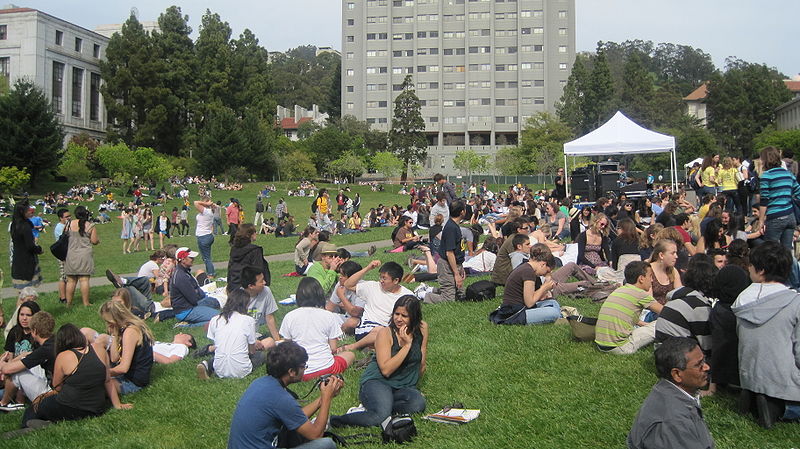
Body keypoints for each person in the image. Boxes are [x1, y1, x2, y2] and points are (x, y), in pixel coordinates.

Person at [331, 295, 428, 428]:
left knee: (417, 404)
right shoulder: (385, 333)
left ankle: (379, 405)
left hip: (402, 386)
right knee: (380, 417)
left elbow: (421, 360)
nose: (399, 319)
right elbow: (386, 370)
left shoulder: (422, 328)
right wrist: (406, 346)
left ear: (414, 317)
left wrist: (414, 387)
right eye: (396, 314)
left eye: (404, 316)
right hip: (379, 381)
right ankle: (335, 421)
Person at [733, 241, 800, 429]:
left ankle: (760, 400)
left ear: (760, 270)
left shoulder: (742, 299)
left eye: (750, 266)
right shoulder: (795, 302)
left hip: (749, 375)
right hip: (783, 380)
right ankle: (783, 407)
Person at [227, 340, 343, 449]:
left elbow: (295, 416)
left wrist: (323, 398)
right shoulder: (281, 398)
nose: (304, 370)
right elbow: (316, 434)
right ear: (292, 372)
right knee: (327, 444)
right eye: (303, 366)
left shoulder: (261, 383)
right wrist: (326, 399)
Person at [18, 324, 131, 430]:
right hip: (97, 408)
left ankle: (27, 426)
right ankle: (46, 422)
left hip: (72, 406)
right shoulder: (99, 349)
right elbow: (108, 381)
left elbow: (57, 387)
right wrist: (118, 405)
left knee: (37, 406)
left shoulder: (63, 356)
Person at [627, 337, 714, 449]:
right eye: (699, 365)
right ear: (677, 374)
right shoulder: (673, 422)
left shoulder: (666, 390)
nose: (707, 367)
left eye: (704, 360)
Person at [280, 278, 356, 381]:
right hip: (327, 368)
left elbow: (287, 346)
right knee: (350, 355)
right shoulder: (328, 316)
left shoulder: (289, 316)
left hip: (300, 372)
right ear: (320, 295)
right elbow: (333, 348)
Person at [339, 261, 413, 352]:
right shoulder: (372, 287)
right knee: (377, 330)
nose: (381, 280)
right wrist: (367, 268)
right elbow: (348, 284)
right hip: (367, 327)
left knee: (383, 333)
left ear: (396, 280)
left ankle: (364, 347)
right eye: (380, 277)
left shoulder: (407, 295)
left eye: (384, 278)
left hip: (388, 329)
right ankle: (358, 346)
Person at [197, 289, 268, 380]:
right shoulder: (248, 320)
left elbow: (217, 345)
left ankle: (207, 365)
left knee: (220, 353)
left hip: (219, 370)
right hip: (242, 370)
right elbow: (251, 350)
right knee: (260, 356)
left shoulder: (215, 319)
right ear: (245, 305)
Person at [595, 261, 664, 354]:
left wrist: (646, 325)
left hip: (601, 345)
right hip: (620, 347)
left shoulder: (620, 290)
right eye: (650, 276)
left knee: (649, 326)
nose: (652, 280)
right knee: (661, 323)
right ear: (641, 279)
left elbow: (629, 317)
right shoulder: (641, 294)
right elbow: (667, 313)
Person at [655, 259, 718, 359]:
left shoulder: (677, 298)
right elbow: (707, 346)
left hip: (663, 355)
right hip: (680, 361)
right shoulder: (698, 306)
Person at [0, 311, 56, 409]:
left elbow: (7, 370)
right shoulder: (55, 340)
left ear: (34, 331)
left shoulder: (43, 350)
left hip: (51, 395)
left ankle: (3, 404)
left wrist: (1, 363)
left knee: (16, 372)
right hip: (64, 388)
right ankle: (18, 400)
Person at [495, 243, 561, 325]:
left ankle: (560, 316)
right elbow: (529, 303)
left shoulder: (528, 268)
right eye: (547, 271)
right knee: (554, 312)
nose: (545, 274)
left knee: (553, 303)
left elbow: (539, 297)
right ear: (543, 264)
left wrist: (546, 284)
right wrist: (544, 288)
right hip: (515, 312)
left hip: (519, 307)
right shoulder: (528, 272)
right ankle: (560, 316)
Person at [709, 265, 751, 390]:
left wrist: (712, 386)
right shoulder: (749, 308)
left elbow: (718, 348)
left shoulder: (720, 312)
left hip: (728, 378)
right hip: (749, 377)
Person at [99, 300, 154, 394]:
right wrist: (114, 334)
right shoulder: (122, 328)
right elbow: (114, 358)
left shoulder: (131, 331)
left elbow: (123, 368)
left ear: (116, 319)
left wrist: (100, 374)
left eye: (108, 322)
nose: (107, 325)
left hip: (133, 382)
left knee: (94, 387)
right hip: (125, 375)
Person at [421, 200, 467, 304]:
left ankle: (430, 290)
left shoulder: (454, 226)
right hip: (447, 265)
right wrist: (456, 274)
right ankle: (423, 295)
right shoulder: (451, 228)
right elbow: (449, 253)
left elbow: (457, 251)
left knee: (460, 295)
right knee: (448, 300)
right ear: (462, 212)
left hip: (455, 264)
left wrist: (460, 267)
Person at [756, 146, 800, 250]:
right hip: (790, 216)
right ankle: (789, 266)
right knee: (787, 251)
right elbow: (798, 193)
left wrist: (761, 221)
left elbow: (764, 200)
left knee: (771, 250)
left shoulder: (766, 176)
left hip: (775, 217)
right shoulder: (788, 174)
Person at [0, 301, 41, 410]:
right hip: (12, 368)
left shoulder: (38, 334)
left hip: (29, 371)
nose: (24, 318)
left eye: (28, 315)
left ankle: (13, 402)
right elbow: (9, 354)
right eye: (21, 315)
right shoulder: (14, 331)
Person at [169, 247, 220, 325]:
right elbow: (193, 299)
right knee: (219, 318)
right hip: (186, 310)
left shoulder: (184, 271)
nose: (193, 259)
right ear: (182, 259)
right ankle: (185, 325)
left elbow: (196, 290)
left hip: (192, 305)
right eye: (191, 257)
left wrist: (197, 292)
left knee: (215, 303)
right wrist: (197, 292)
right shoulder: (181, 276)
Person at [64, 206, 100, 307]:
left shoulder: (69, 224)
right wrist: (98, 240)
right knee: (84, 280)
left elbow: (64, 237)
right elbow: (94, 241)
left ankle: (68, 303)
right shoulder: (90, 225)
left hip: (71, 254)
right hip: (84, 255)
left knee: (71, 280)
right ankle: (86, 303)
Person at [326, 261, 366, 335]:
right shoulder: (340, 284)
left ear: (352, 277)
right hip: (346, 317)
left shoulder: (362, 287)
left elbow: (355, 313)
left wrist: (341, 296)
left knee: (351, 323)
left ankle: (337, 333)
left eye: (343, 275)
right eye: (340, 274)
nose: (340, 277)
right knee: (324, 316)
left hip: (361, 319)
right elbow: (329, 308)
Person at [10, 202, 43, 291]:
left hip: (17, 260)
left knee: (22, 293)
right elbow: (30, 246)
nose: (30, 212)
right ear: (22, 212)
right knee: (28, 292)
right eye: (28, 210)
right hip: (27, 262)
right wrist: (39, 249)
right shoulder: (24, 227)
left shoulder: (15, 224)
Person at [228, 224, 271, 290]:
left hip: (233, 285)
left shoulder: (234, 249)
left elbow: (230, 269)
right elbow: (258, 270)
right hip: (249, 287)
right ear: (249, 235)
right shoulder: (255, 250)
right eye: (254, 232)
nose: (256, 234)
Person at [649, 240, 682, 306]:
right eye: (673, 253)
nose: (676, 256)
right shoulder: (648, 270)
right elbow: (649, 301)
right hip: (653, 312)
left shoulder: (673, 271)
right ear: (661, 255)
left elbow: (680, 295)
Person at [194, 197, 217, 278]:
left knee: (207, 257)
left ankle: (211, 273)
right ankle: (209, 272)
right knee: (205, 257)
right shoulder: (207, 212)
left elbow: (195, 202)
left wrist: (207, 204)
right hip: (205, 236)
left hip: (204, 236)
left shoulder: (206, 212)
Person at [53, 208, 71, 304]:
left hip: (67, 254)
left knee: (66, 277)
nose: (69, 218)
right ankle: (63, 298)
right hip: (62, 255)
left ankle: (65, 297)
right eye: (66, 217)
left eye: (69, 216)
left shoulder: (66, 226)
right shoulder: (60, 227)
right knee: (64, 277)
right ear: (61, 218)